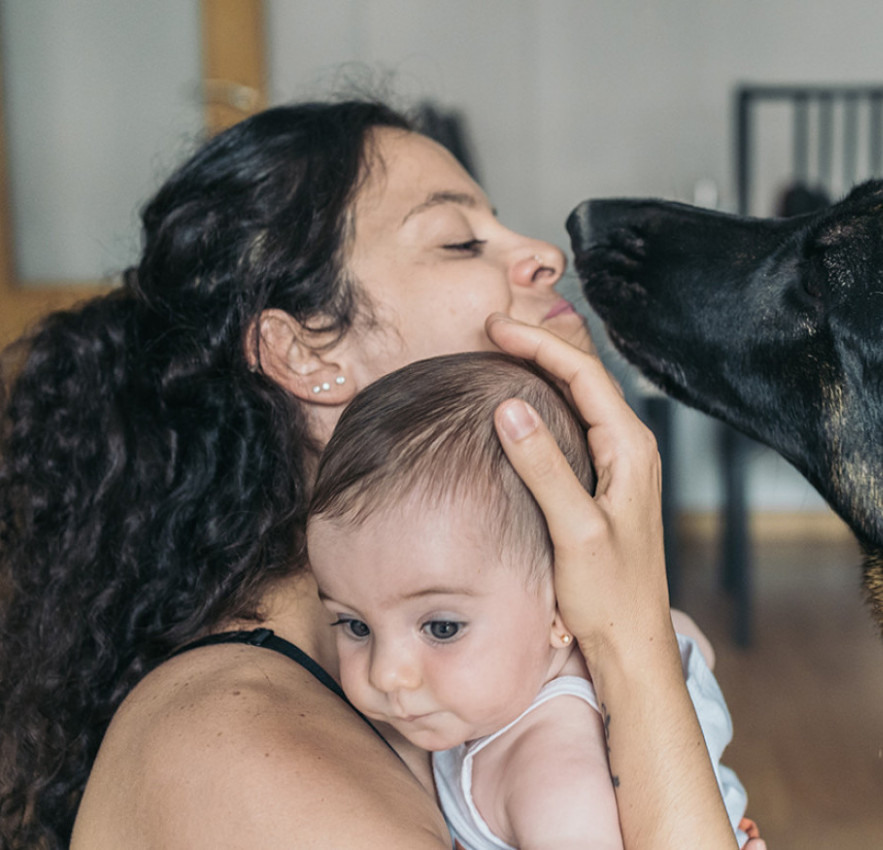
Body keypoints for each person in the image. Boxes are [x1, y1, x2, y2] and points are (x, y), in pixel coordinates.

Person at [0, 99, 759, 850]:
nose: (544, 254)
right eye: (460, 241)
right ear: (305, 355)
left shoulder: (445, 694)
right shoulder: (235, 750)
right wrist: (629, 638)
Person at [306, 352, 759, 850]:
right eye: (355, 625)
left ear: (565, 606)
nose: (385, 674)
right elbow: (693, 644)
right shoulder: (639, 644)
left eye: (441, 628)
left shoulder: (552, 782)